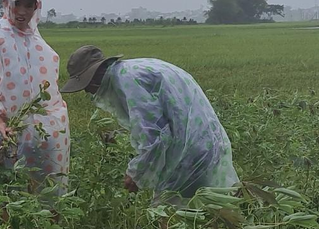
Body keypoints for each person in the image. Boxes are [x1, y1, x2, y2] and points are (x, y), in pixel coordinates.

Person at [60, 45, 239, 199]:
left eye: (86, 86)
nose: (88, 92)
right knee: (212, 210)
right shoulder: (135, 68)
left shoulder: (128, 81)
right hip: (204, 142)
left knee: (169, 216)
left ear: (94, 76)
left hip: (187, 150)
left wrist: (137, 173)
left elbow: (155, 134)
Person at [0, 0, 69, 229]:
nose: (23, 12)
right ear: (8, 3)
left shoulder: (36, 36)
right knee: (10, 193)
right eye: (19, 4)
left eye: (30, 6)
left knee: (52, 193)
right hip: (11, 129)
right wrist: (0, 123)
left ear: (36, 8)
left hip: (48, 128)